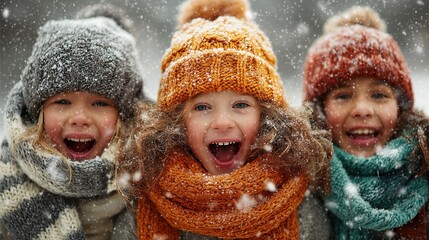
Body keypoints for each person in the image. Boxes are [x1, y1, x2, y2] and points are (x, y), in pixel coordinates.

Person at [118, 0, 332, 239]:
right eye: (202, 107)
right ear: (175, 124)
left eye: (240, 105)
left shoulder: (300, 206)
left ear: (267, 117)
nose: (222, 122)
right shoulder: (143, 202)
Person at [0, 4, 148, 240]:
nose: (80, 118)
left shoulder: (153, 185)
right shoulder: (6, 186)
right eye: (62, 102)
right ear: (38, 112)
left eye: (100, 104)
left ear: (125, 115)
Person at [303, 6, 429, 240]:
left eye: (379, 95)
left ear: (400, 109)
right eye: (343, 96)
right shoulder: (297, 188)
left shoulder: (424, 173)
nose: (362, 109)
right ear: (318, 112)